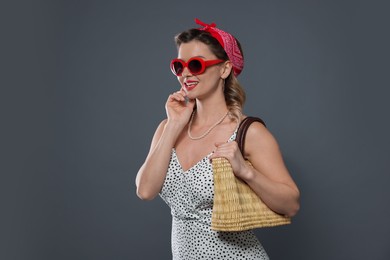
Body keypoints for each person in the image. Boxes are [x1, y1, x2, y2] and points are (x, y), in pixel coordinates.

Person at [136, 18, 300, 259]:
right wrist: (173, 125)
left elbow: (291, 204)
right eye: (179, 66)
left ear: (224, 69)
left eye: (196, 64)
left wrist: (246, 172)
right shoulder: (167, 128)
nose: (186, 74)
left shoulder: (249, 132)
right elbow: (145, 190)